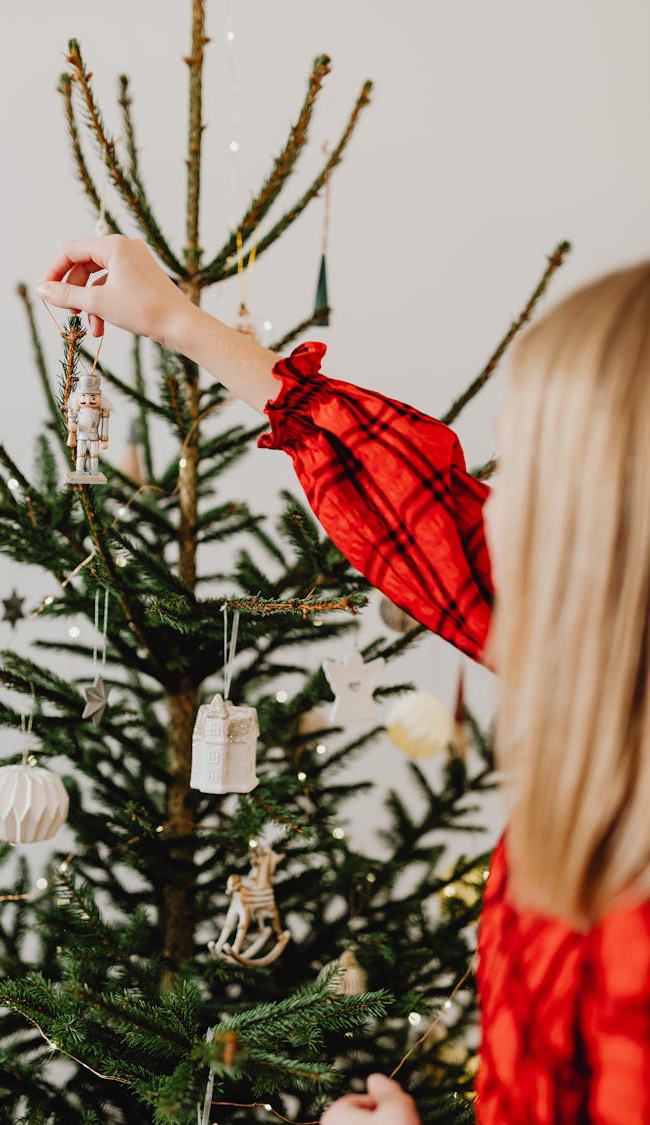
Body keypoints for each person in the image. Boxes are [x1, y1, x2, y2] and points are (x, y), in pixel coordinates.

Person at [38, 237, 650, 1124]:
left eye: (526, 471)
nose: (493, 500)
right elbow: (419, 511)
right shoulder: (607, 681)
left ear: (605, 532)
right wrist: (181, 323)